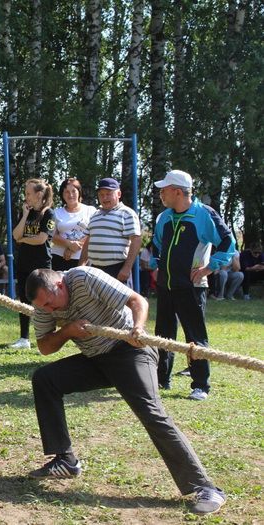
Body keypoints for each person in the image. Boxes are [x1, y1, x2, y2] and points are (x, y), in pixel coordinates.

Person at [25, 267, 226, 515]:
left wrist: (138, 329)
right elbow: (45, 347)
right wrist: (67, 331)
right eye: (43, 307)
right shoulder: (44, 304)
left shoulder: (83, 278)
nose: (49, 311)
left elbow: (136, 300)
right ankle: (65, 460)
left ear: (59, 285)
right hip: (95, 358)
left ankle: (205, 488)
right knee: (45, 379)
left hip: (129, 351)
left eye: (50, 304)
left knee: (151, 413)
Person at [151, 170, 235, 401]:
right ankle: (161, 380)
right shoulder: (164, 217)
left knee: (195, 336)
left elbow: (228, 243)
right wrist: (155, 263)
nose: (161, 194)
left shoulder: (204, 215)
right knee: (163, 335)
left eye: (165, 189)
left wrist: (209, 268)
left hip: (192, 287)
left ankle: (200, 385)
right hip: (166, 286)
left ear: (178, 191)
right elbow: (156, 244)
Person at [10, 178, 55, 350]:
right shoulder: (26, 212)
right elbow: (16, 235)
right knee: (24, 300)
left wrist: (23, 239)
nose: (26, 196)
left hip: (41, 265)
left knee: (44, 300)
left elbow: (41, 239)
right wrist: (26, 215)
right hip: (23, 264)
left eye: (28, 193)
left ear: (39, 194)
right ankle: (24, 338)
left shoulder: (49, 214)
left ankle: (48, 335)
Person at [80, 177, 141, 286]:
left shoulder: (127, 213)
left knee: (118, 303)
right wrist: (81, 264)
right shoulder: (94, 215)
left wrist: (127, 268)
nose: (104, 197)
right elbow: (88, 241)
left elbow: (136, 240)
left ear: (118, 194)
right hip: (95, 270)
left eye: (108, 194)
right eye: (101, 195)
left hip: (117, 270)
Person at [51, 178, 95, 271]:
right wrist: (69, 244)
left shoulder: (90, 211)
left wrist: (72, 248)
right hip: (59, 258)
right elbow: (51, 235)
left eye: (73, 191)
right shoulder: (55, 213)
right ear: (62, 194)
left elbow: (94, 233)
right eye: (66, 192)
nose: (70, 195)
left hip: (84, 260)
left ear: (79, 192)